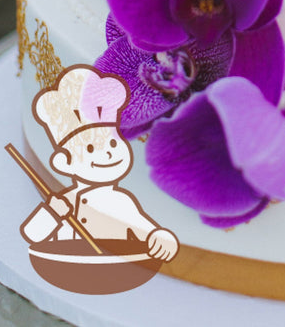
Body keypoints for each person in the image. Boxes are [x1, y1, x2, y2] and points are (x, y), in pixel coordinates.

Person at [20, 65, 178, 262]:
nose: (108, 154)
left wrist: (161, 240)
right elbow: (33, 234)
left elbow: (150, 232)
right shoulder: (66, 202)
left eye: (112, 143)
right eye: (90, 149)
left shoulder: (122, 202)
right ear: (65, 162)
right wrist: (52, 213)